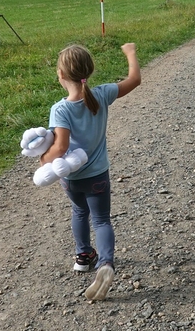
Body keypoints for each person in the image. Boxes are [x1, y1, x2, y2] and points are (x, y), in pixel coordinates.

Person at [40, 42, 140, 301]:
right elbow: (134, 80)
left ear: (60, 75)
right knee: (102, 219)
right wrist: (130, 53)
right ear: (90, 70)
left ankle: (83, 255)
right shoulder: (103, 94)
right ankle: (106, 263)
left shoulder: (60, 109)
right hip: (98, 175)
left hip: (71, 178)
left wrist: (44, 159)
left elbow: (60, 146)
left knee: (79, 211)